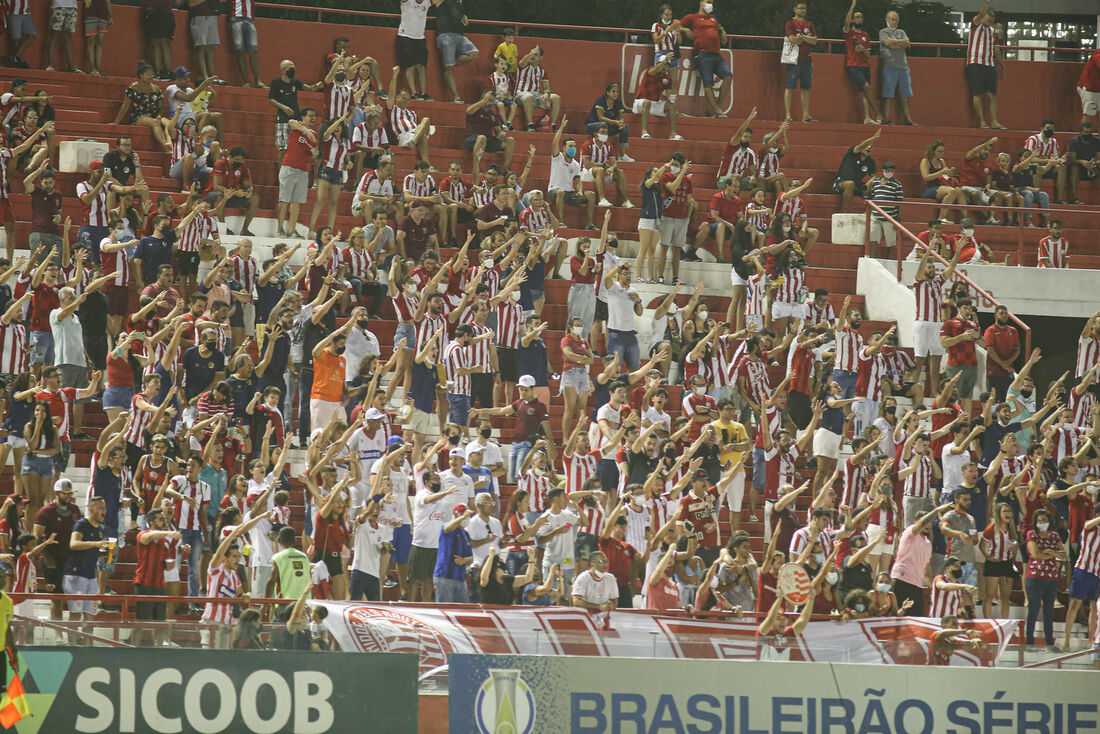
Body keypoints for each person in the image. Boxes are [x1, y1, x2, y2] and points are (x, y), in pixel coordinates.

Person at [891, 502, 952, 616]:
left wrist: (932, 588)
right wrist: (936, 510)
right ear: (915, 523)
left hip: (916, 585)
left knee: (917, 619)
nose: (926, 524)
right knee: (895, 617)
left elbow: (926, 570)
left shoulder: (928, 543)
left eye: (928, 522)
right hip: (901, 580)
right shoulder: (910, 533)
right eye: (923, 521)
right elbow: (922, 523)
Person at [679, 0, 729, 118]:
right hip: (703, 54)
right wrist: (686, 30)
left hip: (716, 54)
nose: (710, 4)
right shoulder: (692, 17)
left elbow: (720, 28)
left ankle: (719, 107)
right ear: (701, 3)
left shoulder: (713, 18)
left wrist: (723, 32)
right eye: (708, 1)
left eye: (712, 2)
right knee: (708, 83)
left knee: (728, 76)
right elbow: (677, 24)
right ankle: (717, 110)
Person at [1025, 508, 1066, 650]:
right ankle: (1029, 640)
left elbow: (1064, 555)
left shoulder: (1055, 536)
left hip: (1052, 578)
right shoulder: (1032, 535)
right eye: (1040, 520)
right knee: (1034, 610)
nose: (1042, 523)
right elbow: (1036, 554)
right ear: (1035, 522)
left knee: (1049, 611)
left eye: (1045, 520)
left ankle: (1049, 640)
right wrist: (1053, 554)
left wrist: (1048, 551)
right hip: (1036, 577)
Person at [276, 108, 318, 239]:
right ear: (303, 117)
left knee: (296, 202)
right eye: (310, 115)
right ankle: (280, 229)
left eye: (315, 116)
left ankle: (292, 230)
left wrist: (315, 154)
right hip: (289, 168)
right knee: (284, 200)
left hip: (303, 171)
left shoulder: (314, 135)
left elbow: (313, 154)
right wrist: (306, 131)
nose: (313, 118)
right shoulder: (297, 127)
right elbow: (290, 121)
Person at [547, 118, 595, 231]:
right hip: (554, 191)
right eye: (570, 146)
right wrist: (562, 128)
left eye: (574, 146)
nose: (572, 148)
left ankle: (589, 223)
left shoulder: (576, 164)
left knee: (591, 195)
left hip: (569, 192)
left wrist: (579, 191)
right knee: (560, 192)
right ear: (564, 148)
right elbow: (554, 143)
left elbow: (578, 180)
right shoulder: (557, 158)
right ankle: (561, 222)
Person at [966, 0, 1005, 131]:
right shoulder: (976, 24)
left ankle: (994, 121)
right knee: (977, 93)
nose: (991, 19)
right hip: (975, 62)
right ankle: (982, 122)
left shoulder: (993, 31)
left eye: (993, 17)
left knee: (992, 94)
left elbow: (997, 49)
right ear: (983, 16)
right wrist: (986, 4)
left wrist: (1002, 65)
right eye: (989, 16)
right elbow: (980, 14)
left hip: (990, 64)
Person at [842, 1, 880, 124]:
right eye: (857, 17)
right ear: (853, 20)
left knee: (866, 92)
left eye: (861, 17)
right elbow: (846, 22)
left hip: (865, 66)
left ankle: (867, 117)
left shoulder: (865, 35)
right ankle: (878, 113)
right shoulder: (849, 33)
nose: (859, 19)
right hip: (853, 66)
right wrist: (852, 7)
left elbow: (868, 54)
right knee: (867, 87)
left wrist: (862, 49)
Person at [435, 0, 479, 103]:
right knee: (449, 69)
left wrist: (463, 15)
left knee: (474, 53)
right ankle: (456, 96)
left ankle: (450, 63)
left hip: (459, 35)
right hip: (445, 34)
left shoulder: (459, 1)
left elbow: (457, 13)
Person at [782, 1, 817, 123]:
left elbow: (814, 41)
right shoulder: (790, 23)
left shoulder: (809, 24)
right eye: (800, 8)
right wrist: (805, 38)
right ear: (795, 9)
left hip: (807, 60)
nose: (802, 10)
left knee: (806, 88)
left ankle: (806, 115)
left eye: (804, 8)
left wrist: (801, 37)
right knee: (790, 87)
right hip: (794, 60)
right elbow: (792, 40)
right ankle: (788, 115)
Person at [878, 10, 915, 126]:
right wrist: (900, 43)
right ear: (887, 19)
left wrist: (896, 43)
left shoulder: (901, 31)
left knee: (905, 94)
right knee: (888, 94)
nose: (895, 22)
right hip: (890, 66)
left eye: (896, 19)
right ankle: (887, 119)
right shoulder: (883, 32)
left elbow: (907, 43)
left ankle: (908, 119)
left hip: (903, 67)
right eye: (893, 19)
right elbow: (888, 44)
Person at [514, 45, 561, 131]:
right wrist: (530, 54)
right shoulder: (524, 66)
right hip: (521, 94)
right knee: (529, 97)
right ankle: (530, 125)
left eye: (535, 54)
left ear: (540, 57)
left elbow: (546, 87)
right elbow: (521, 63)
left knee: (556, 98)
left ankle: (553, 125)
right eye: (531, 53)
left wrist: (547, 93)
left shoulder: (542, 71)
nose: (532, 56)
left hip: (536, 95)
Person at [633, 56, 681, 141]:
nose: (664, 66)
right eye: (662, 64)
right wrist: (665, 60)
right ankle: (644, 132)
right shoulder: (650, 70)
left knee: (671, 106)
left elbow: (669, 94)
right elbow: (654, 70)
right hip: (640, 102)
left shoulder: (667, 78)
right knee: (647, 102)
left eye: (667, 65)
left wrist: (673, 107)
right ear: (658, 64)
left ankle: (673, 134)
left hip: (654, 104)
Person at [585, 82, 634, 163]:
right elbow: (600, 118)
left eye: (617, 92)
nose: (616, 93)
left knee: (625, 126)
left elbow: (621, 118)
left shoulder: (618, 102)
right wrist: (615, 122)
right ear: (608, 92)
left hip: (607, 126)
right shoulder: (601, 100)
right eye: (613, 91)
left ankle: (622, 155)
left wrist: (621, 123)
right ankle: (601, 153)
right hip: (592, 126)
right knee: (603, 125)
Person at [435, 504, 474, 603]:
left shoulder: (466, 534)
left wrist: (465, 560)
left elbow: (472, 557)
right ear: (456, 515)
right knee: (445, 610)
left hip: (460, 578)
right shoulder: (446, 526)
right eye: (464, 515)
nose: (466, 519)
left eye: (467, 516)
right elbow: (447, 528)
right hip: (445, 575)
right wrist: (463, 517)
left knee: (463, 610)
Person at [833, 128, 879, 211]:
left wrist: (870, 182)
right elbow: (861, 146)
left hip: (858, 185)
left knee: (876, 184)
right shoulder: (853, 153)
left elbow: (873, 176)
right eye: (867, 146)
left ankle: (870, 215)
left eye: (871, 147)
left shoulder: (870, 161)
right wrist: (874, 138)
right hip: (841, 182)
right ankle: (844, 213)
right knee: (850, 184)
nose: (868, 148)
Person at [1024, 119, 1067, 204]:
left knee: (1061, 167)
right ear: (1042, 128)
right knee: (1037, 166)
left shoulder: (1053, 141)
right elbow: (1029, 159)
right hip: (1032, 169)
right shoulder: (1033, 139)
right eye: (1047, 128)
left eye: (1052, 129)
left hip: (1048, 168)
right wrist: (1048, 161)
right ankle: (1039, 198)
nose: (1050, 130)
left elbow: (1055, 158)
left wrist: (1060, 160)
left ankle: (1059, 199)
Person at [395, 0, 431, 100]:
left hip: (420, 38)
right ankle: (414, 93)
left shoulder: (427, 2)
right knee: (410, 66)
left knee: (421, 66)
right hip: (405, 36)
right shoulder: (407, 1)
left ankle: (424, 93)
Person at [1067, 121, 1100, 205]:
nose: (1088, 134)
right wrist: (1082, 161)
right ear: (1081, 132)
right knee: (1074, 168)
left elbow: (1098, 157)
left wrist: (1094, 163)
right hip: (1079, 168)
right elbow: (1072, 159)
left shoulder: (1097, 141)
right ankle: (1075, 199)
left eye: (1090, 132)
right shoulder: (1074, 141)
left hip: (1093, 167)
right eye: (1086, 132)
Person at [45, 0, 81, 73]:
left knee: (68, 36)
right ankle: (50, 65)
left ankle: (71, 67)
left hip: (72, 6)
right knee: (54, 34)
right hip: (58, 5)